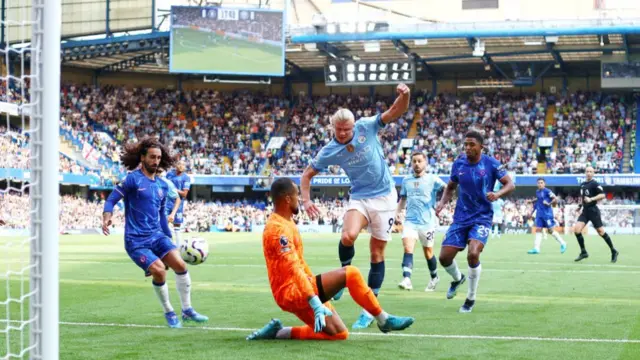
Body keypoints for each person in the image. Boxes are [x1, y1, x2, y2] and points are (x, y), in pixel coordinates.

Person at [246, 178, 414, 341]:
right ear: (287, 199)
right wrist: (314, 300)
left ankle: (278, 332)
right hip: (292, 292)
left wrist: (313, 292)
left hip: (299, 288)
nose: (301, 199)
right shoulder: (277, 230)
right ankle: (383, 319)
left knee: (338, 334)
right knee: (351, 273)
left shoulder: (286, 222)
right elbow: (293, 269)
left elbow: (299, 265)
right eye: (298, 195)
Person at [300, 83, 411, 329]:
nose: (342, 134)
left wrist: (406, 95)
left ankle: (369, 311)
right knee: (348, 235)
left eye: (346, 129)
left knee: (376, 254)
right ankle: (342, 275)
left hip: (385, 198)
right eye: (338, 130)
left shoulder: (366, 126)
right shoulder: (329, 150)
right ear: (332, 128)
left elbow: (395, 111)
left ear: (353, 126)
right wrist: (306, 201)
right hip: (359, 196)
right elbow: (306, 175)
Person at [101, 137, 208, 328]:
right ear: (142, 157)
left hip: (157, 236)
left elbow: (161, 216)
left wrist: (168, 241)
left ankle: (187, 310)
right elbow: (111, 200)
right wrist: (106, 217)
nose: (156, 161)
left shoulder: (162, 186)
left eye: (158, 158)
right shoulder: (132, 179)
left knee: (180, 265)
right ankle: (169, 312)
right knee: (159, 271)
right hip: (136, 241)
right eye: (152, 157)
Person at [435, 130, 515, 313]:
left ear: (481, 147)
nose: (468, 148)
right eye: (466, 144)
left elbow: (510, 184)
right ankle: (457, 278)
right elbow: (450, 187)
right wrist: (441, 204)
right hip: (461, 217)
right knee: (444, 258)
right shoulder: (459, 164)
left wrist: (497, 194)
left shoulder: (491, 163)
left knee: (473, 253)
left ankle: (470, 299)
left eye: (472, 145)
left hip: (482, 217)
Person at [396, 152, 446, 292]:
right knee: (408, 248)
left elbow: (448, 189)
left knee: (428, 253)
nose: (417, 164)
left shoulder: (433, 179)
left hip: (427, 223)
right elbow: (403, 199)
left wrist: (442, 203)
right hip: (410, 222)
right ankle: (407, 279)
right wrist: (396, 213)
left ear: (425, 163)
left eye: (419, 161)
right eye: (414, 161)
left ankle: (434, 277)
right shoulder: (406, 180)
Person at [573, 166, 619, 263]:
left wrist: (592, 199)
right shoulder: (582, 184)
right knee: (577, 229)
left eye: (591, 171)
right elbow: (583, 197)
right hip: (585, 211)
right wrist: (580, 205)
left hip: (593, 210)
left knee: (601, 232)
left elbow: (602, 195)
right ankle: (583, 252)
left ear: (593, 173)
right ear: (585, 173)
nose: (589, 173)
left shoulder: (594, 183)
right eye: (587, 171)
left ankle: (613, 250)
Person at [527, 178, 566, 254]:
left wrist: (549, 204)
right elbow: (538, 199)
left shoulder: (547, 191)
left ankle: (563, 243)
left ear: (544, 184)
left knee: (550, 231)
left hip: (547, 214)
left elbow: (555, 199)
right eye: (538, 183)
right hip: (539, 214)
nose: (540, 184)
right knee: (538, 229)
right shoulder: (537, 191)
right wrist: (531, 201)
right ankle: (536, 248)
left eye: (541, 183)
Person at [166, 161, 191, 245]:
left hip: (178, 205)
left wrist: (173, 189)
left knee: (177, 226)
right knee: (164, 225)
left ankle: (178, 248)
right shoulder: (169, 175)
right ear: (175, 165)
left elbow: (184, 194)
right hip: (166, 203)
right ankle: (167, 247)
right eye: (179, 164)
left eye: (183, 165)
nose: (181, 166)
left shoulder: (186, 178)